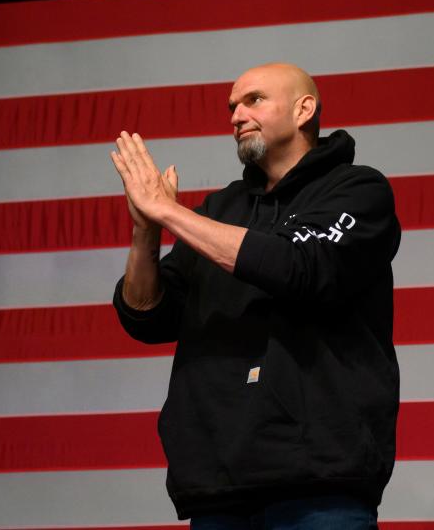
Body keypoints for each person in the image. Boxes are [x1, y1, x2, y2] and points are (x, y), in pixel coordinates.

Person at [109, 62, 401, 529]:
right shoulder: (220, 210)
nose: (236, 115)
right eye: (232, 106)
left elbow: (299, 268)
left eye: (254, 100)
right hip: (219, 488)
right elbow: (147, 316)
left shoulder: (358, 190)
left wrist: (168, 211)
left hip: (321, 485)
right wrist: (147, 230)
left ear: (304, 109)